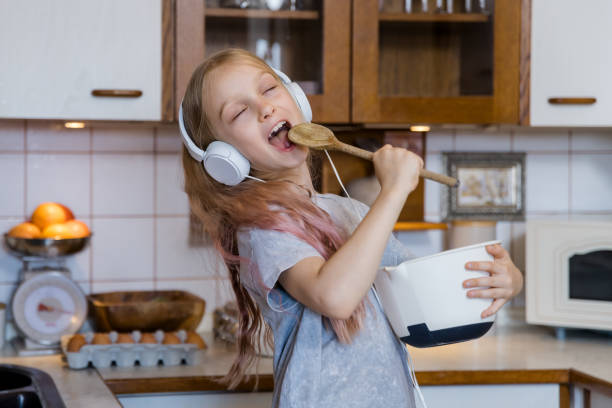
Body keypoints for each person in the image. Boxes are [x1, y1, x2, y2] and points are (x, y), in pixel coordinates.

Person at [180, 48, 524, 408]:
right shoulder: (262, 229)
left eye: (268, 90)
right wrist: (391, 193)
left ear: (297, 98)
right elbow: (335, 297)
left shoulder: (351, 213)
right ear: (225, 158)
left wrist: (503, 280)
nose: (264, 108)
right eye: (239, 112)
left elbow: (421, 292)